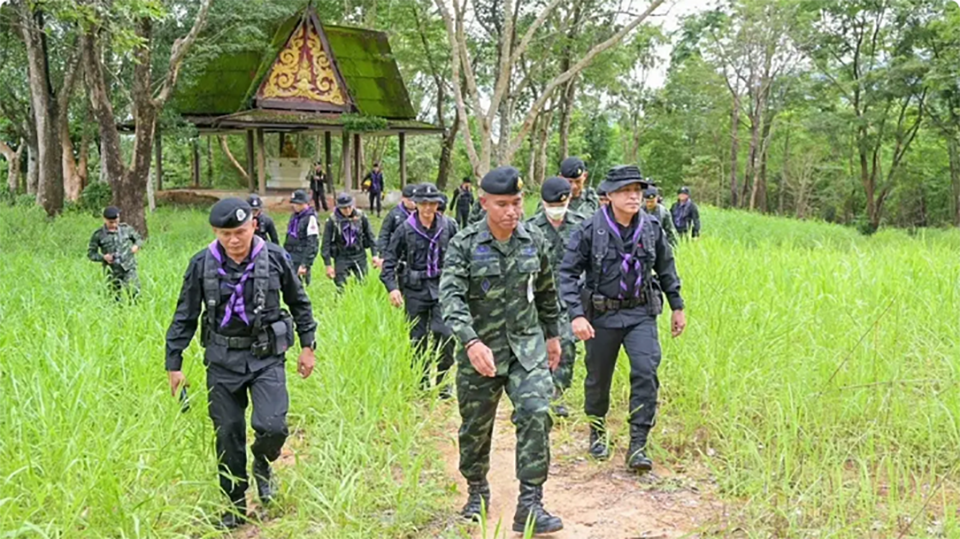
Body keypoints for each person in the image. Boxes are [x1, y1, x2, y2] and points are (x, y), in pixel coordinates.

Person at [164, 198, 317, 529]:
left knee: (272, 426)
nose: (233, 240)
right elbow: (185, 314)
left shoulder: (275, 258)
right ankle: (234, 504)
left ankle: (262, 460)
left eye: (240, 232)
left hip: (266, 358)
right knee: (228, 434)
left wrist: (308, 346)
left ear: (254, 226)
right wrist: (174, 363)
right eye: (225, 234)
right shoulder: (202, 263)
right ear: (215, 232)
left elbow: (299, 302)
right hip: (222, 362)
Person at [440, 166, 564, 534]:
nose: (511, 211)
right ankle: (477, 490)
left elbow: (546, 291)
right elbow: (451, 298)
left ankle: (530, 504)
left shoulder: (534, 240)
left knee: (537, 411)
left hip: (527, 348)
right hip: (481, 353)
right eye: (502, 204)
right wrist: (470, 341)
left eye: (516, 202)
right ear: (484, 203)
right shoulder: (464, 244)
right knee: (475, 427)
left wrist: (553, 335)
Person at [558, 165, 686, 473]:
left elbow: (666, 268)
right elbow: (568, 274)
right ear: (610, 195)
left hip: (640, 313)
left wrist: (677, 306)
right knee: (598, 377)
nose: (634, 197)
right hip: (602, 315)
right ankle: (597, 430)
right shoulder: (590, 229)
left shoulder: (652, 228)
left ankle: (638, 444)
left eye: (637, 191)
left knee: (645, 370)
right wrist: (576, 315)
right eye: (626, 191)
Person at [381, 183, 459, 397]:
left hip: (442, 288)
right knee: (418, 338)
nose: (427, 208)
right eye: (423, 203)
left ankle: (443, 381)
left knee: (446, 334)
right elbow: (389, 261)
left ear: (437, 204)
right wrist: (392, 289)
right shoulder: (405, 229)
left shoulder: (449, 226)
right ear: (416, 204)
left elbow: (461, 255)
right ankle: (421, 381)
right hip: (415, 290)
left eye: (432, 203)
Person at [524, 177, 585, 418]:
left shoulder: (581, 225)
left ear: (568, 200)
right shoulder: (530, 228)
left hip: (570, 298)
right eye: (552, 205)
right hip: (538, 299)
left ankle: (557, 394)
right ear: (543, 202)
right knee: (538, 347)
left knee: (566, 346)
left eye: (561, 204)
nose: (556, 209)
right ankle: (538, 394)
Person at [322, 193, 377, 291]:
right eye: (344, 208)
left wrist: (375, 255)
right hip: (341, 256)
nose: (347, 210)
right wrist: (328, 265)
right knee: (341, 287)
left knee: (363, 284)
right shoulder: (332, 220)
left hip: (359, 254)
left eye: (349, 207)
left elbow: (370, 236)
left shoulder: (361, 216)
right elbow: (326, 243)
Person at [87, 206, 143, 300]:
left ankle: (135, 307)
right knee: (114, 297)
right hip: (112, 270)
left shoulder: (126, 229)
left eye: (116, 221)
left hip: (128, 267)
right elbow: (91, 254)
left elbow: (138, 239)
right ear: (104, 219)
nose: (114, 224)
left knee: (134, 292)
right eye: (111, 222)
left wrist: (136, 246)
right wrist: (103, 257)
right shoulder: (98, 234)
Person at [373, 183, 418, 269]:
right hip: (397, 252)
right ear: (403, 198)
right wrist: (383, 254)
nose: (413, 203)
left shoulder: (422, 214)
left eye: (415, 200)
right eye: (410, 200)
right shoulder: (393, 214)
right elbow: (384, 234)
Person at [284, 190, 320, 286]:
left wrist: (305, 264)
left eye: (297, 203)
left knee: (301, 286)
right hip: (291, 255)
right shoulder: (294, 217)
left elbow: (312, 244)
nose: (294, 206)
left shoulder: (310, 218)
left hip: (301, 256)